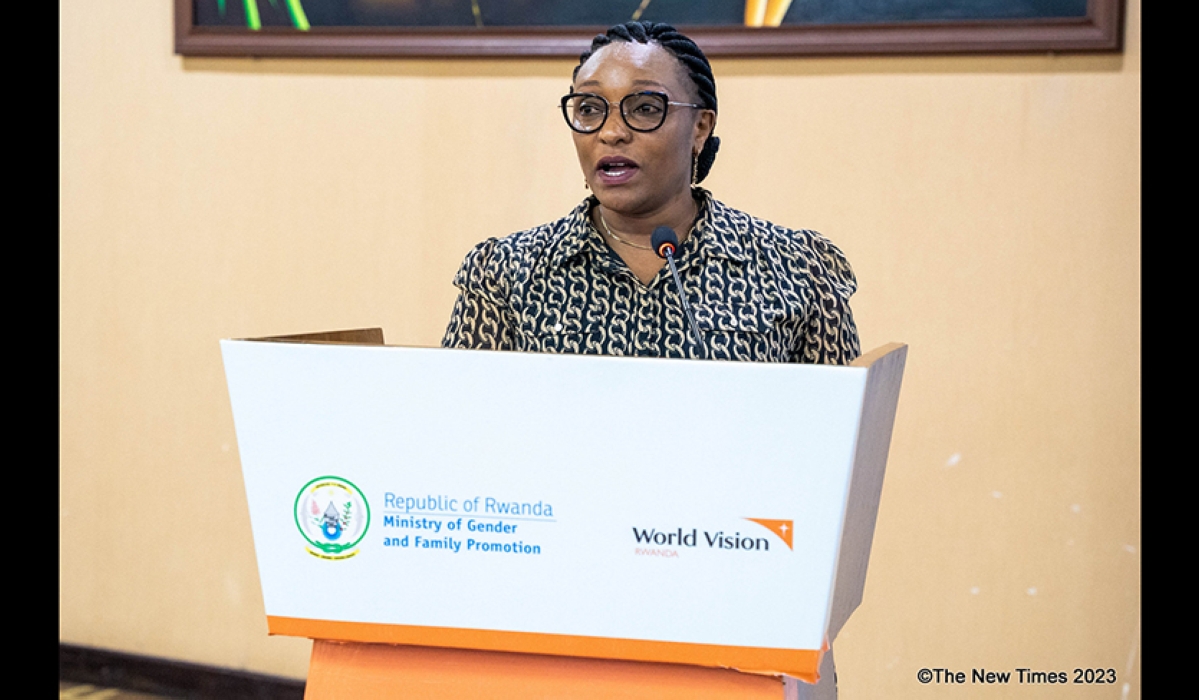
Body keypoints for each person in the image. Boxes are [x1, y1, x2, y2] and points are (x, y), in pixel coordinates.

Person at [442, 20, 860, 365]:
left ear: (700, 128)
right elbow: (458, 423)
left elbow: (845, 429)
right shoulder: (505, 273)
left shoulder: (797, 269)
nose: (611, 133)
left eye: (644, 108)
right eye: (589, 108)